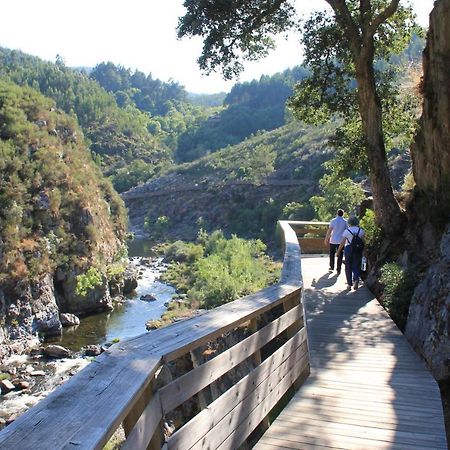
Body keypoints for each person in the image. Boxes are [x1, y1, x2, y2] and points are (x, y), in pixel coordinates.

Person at [336, 216, 365, 290]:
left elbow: (342, 242)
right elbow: (363, 242)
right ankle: (356, 280)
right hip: (358, 249)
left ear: (349, 222)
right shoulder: (361, 231)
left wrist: (338, 251)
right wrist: (364, 251)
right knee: (356, 264)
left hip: (348, 248)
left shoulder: (347, 231)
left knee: (348, 266)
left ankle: (349, 284)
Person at [324, 209, 347, 275]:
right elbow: (347, 231)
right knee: (340, 255)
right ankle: (338, 269)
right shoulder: (345, 222)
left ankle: (331, 266)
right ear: (343, 214)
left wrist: (326, 239)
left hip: (333, 240)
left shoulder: (333, 221)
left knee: (331, 253)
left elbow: (330, 230)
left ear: (337, 213)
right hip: (341, 241)